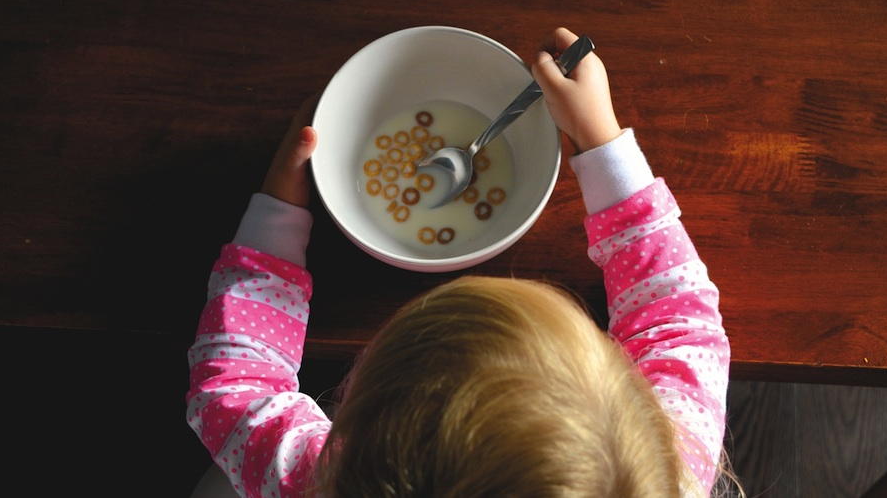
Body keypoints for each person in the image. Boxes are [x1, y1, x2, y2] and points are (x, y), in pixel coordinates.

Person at [186, 27, 735, 498]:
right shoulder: (663, 470)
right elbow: (679, 320)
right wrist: (603, 142)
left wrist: (277, 211)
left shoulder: (319, 481)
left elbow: (235, 389)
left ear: (359, 423)